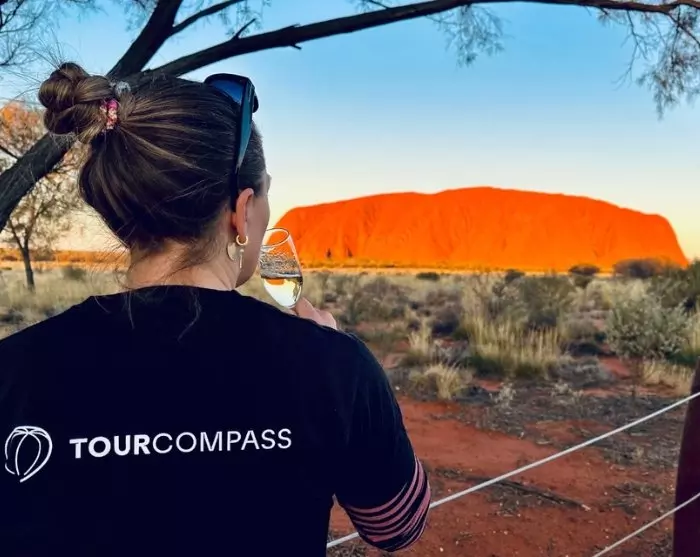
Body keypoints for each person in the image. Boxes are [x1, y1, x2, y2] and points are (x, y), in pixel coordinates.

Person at [0, 63, 430, 557]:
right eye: (265, 195)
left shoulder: (14, 370)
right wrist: (333, 358)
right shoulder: (334, 366)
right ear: (242, 211)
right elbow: (397, 526)